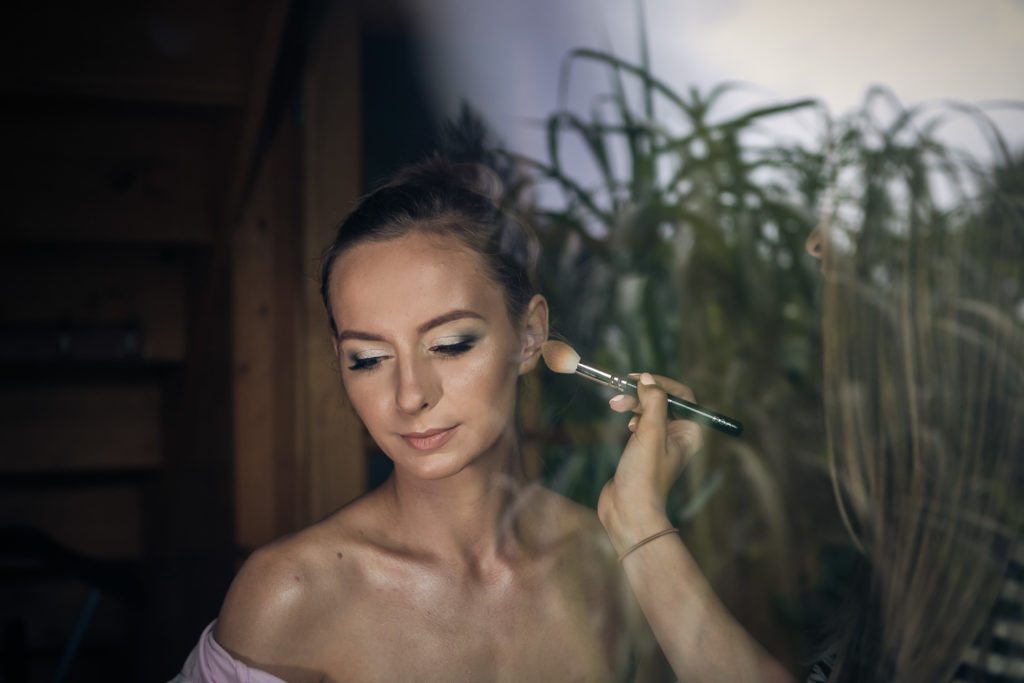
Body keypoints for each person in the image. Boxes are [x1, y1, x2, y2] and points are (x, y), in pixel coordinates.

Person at [173, 156, 669, 682]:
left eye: (450, 345)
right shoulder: (291, 596)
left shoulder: (614, 564)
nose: (409, 395)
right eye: (367, 358)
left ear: (528, 337)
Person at [602, 208, 1023, 681]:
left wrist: (635, 523)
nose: (815, 241)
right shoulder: (914, 511)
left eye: (855, 205)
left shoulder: (992, 555)